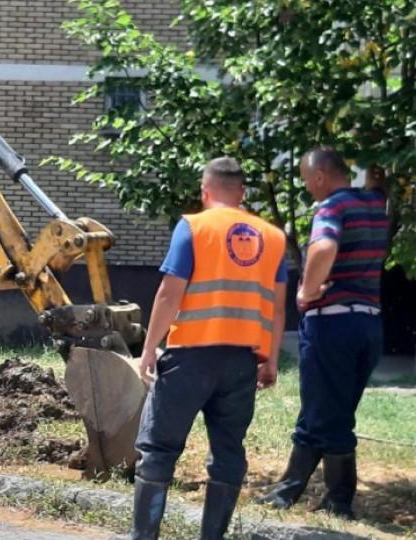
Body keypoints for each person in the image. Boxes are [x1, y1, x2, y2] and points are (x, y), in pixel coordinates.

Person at [127, 157, 288, 540]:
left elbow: (169, 293)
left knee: (159, 449)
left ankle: (143, 536)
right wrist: (271, 359)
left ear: (205, 191)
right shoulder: (274, 237)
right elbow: (279, 307)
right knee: (228, 452)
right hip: (242, 362)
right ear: (242, 193)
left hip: (190, 358)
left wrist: (150, 347)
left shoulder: (194, 227)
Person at [257, 147, 388, 519]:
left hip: (332, 322)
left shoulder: (332, 206)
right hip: (368, 324)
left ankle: (339, 500)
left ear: (318, 177)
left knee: (331, 414)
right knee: (325, 406)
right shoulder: (375, 204)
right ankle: (288, 489)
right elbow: (381, 177)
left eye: (305, 180)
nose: (307, 188)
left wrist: (306, 291)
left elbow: (325, 246)